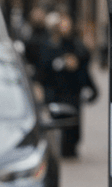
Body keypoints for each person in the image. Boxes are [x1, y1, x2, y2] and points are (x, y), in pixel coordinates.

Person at [38, 13, 98, 158]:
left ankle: (70, 149)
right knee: (59, 121)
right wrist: (62, 62)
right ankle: (62, 149)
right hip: (56, 91)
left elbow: (84, 62)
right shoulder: (49, 44)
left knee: (73, 123)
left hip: (72, 90)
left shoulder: (74, 43)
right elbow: (44, 67)